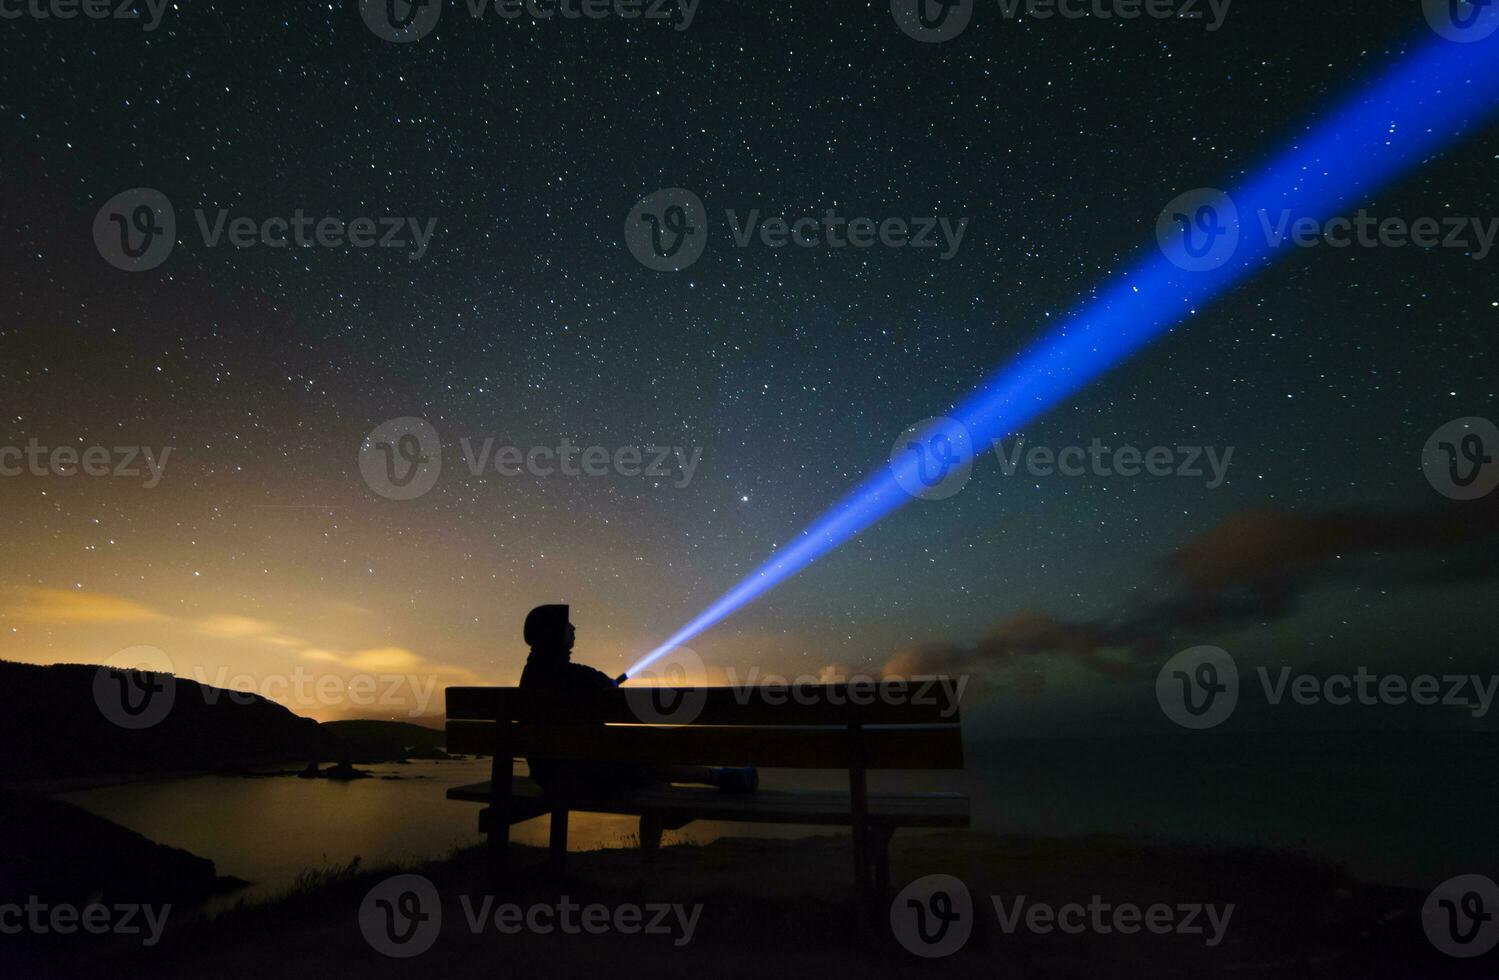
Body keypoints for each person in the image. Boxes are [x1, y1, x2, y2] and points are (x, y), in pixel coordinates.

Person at [517, 604, 757, 793]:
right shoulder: (578, 675)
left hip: (549, 773)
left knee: (640, 762)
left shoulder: (531, 676)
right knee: (647, 765)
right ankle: (722, 778)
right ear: (555, 633)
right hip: (584, 773)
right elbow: (607, 688)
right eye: (568, 625)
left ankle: (723, 778)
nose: (574, 628)